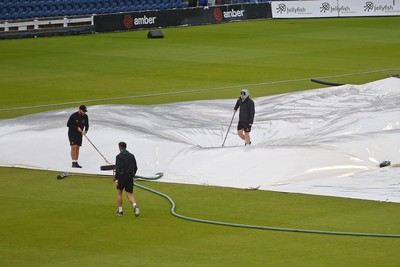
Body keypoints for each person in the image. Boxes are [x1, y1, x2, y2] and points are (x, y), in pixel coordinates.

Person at [114, 141, 140, 217]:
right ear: (126, 147)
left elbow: (118, 169)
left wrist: (116, 179)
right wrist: (132, 175)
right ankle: (135, 205)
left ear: (119, 147)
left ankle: (120, 211)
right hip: (129, 177)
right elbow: (135, 167)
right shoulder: (132, 156)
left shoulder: (119, 156)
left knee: (119, 193)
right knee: (129, 194)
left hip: (122, 177)